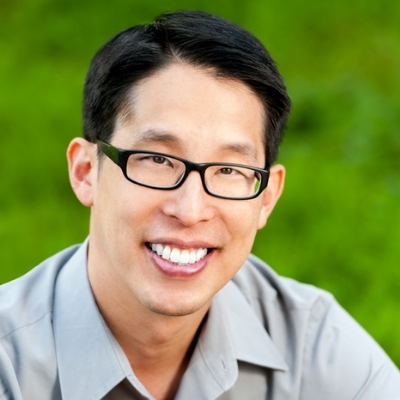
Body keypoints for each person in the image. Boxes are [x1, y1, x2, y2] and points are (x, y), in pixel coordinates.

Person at [0, 10, 399, 400]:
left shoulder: (312, 347)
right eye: (157, 159)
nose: (190, 210)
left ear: (267, 197)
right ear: (86, 171)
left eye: (229, 169)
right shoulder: (10, 365)